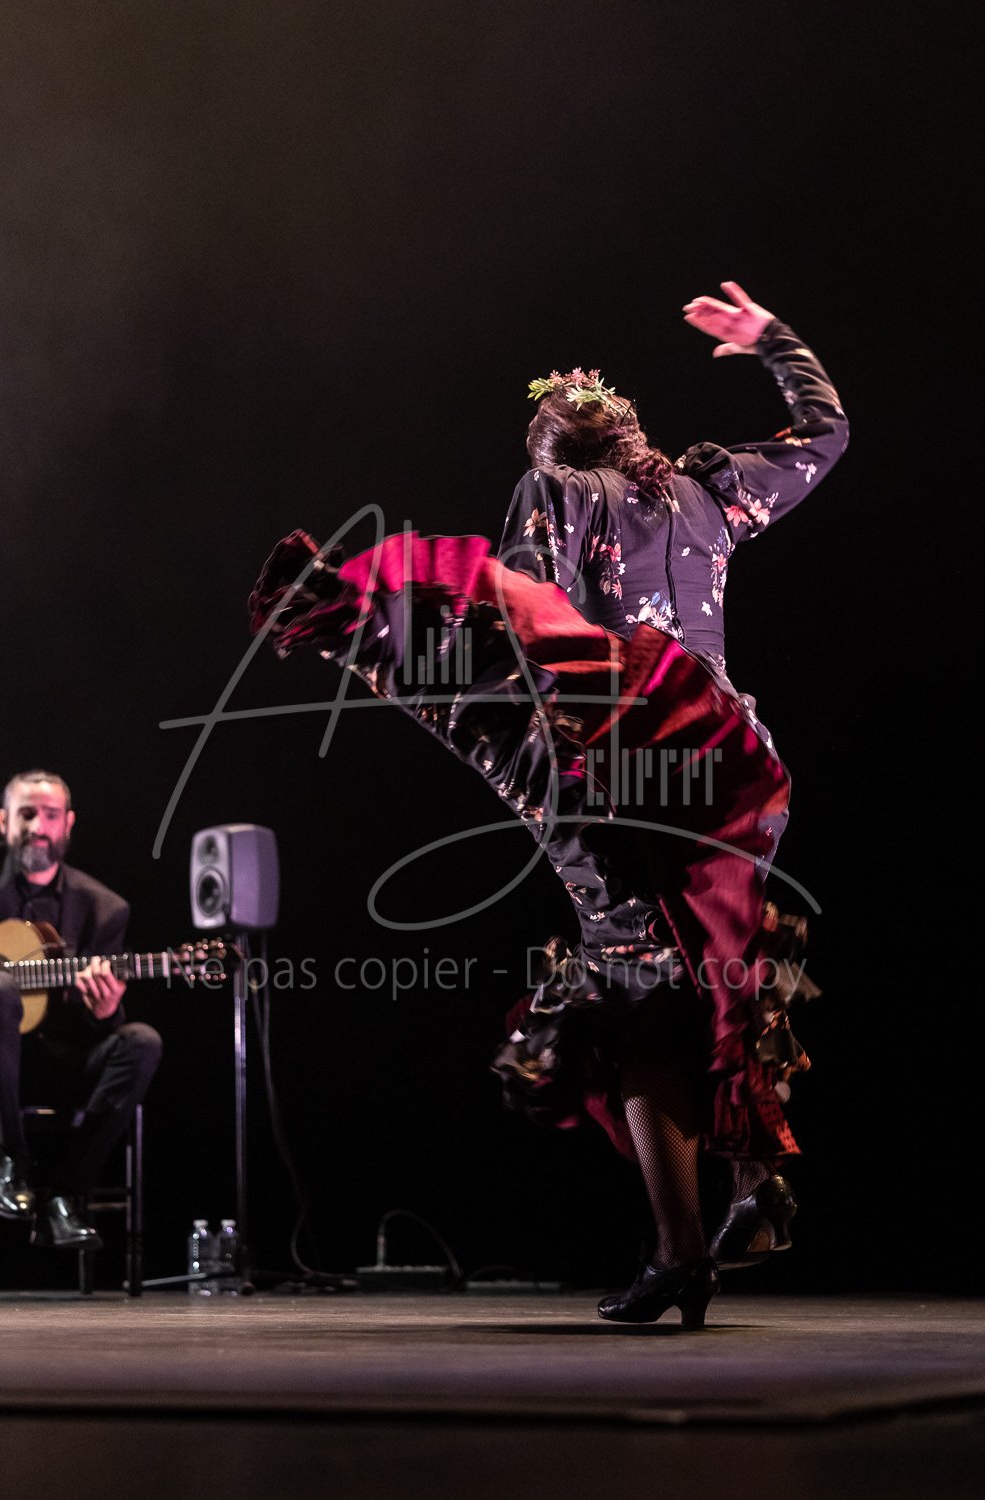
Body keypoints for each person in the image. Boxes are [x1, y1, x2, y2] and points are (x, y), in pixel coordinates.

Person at [247, 282, 848, 1327]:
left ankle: (685, 1248)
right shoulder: (707, 498)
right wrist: (772, 340)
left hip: (625, 758)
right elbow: (825, 436)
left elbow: (541, 628)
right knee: (714, 969)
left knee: (635, 995)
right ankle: (748, 1188)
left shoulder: (556, 490)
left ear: (550, 446)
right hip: (728, 757)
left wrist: (416, 647)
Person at [0, 770, 162, 1249]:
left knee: (141, 1042)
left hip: (55, 1060)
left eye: (50, 815)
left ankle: (63, 1198)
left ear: (68, 823)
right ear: (3, 821)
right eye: (26, 814)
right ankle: (9, 1161)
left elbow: (97, 1025)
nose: (38, 826)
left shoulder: (105, 908)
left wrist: (105, 1011)